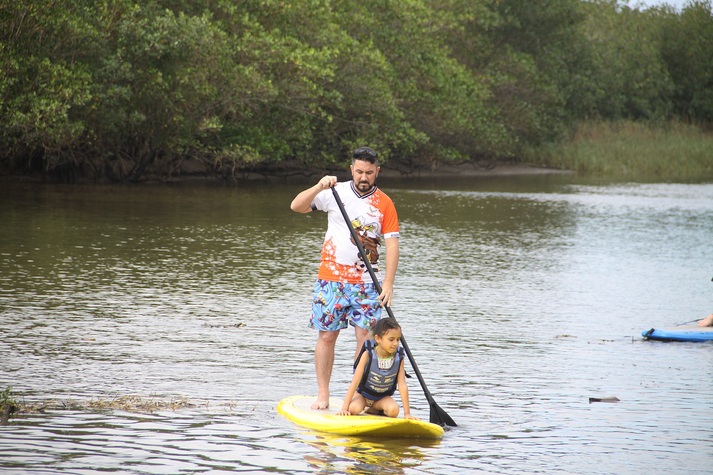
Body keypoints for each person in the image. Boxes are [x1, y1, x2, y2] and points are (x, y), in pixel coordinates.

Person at [290, 146, 400, 410]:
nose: (363, 177)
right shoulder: (334, 192)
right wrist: (318, 186)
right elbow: (296, 206)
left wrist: (388, 283)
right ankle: (323, 395)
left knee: (366, 339)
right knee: (327, 337)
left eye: (369, 173)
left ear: (377, 172)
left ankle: (359, 396)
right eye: (359, 171)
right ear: (352, 170)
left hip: (367, 284)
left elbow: (393, 244)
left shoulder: (384, 203)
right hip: (331, 280)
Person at [336, 318, 416, 419]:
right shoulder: (367, 354)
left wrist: (407, 413)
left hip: (381, 398)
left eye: (398, 339)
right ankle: (364, 406)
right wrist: (344, 408)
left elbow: (402, 385)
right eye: (391, 339)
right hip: (363, 396)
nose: (395, 343)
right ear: (377, 339)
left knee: (393, 411)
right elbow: (355, 382)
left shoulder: (399, 357)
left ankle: (373, 409)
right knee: (354, 409)